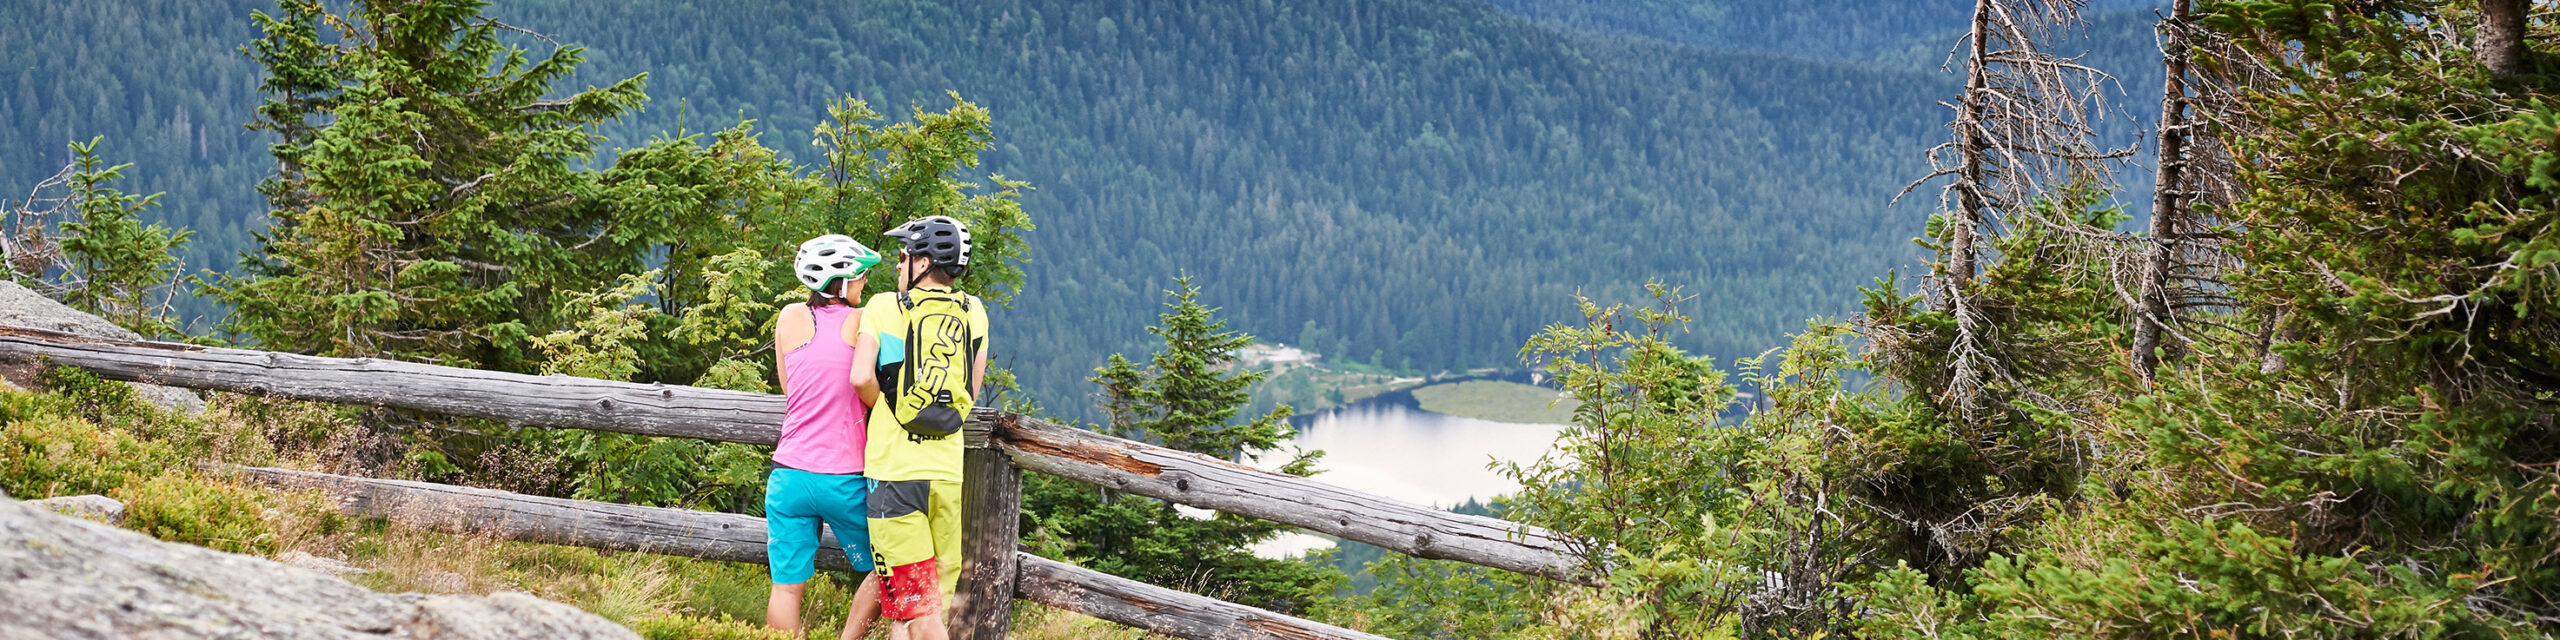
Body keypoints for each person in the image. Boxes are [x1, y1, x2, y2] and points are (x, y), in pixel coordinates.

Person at [852, 215, 989, 640]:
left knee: (918, 611)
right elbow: (971, 389)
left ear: (924, 262)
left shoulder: (882, 306)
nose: (897, 266)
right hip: (946, 474)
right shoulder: (974, 311)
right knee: (918, 608)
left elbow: (859, 378)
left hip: (894, 475)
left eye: (903, 257)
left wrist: (888, 410)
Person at [766, 234, 886, 639]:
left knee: (785, 585)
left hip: (788, 474)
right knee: (886, 567)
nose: (865, 283)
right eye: (860, 276)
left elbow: (789, 387)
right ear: (842, 281)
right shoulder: (864, 319)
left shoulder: (788, 317)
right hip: (845, 476)